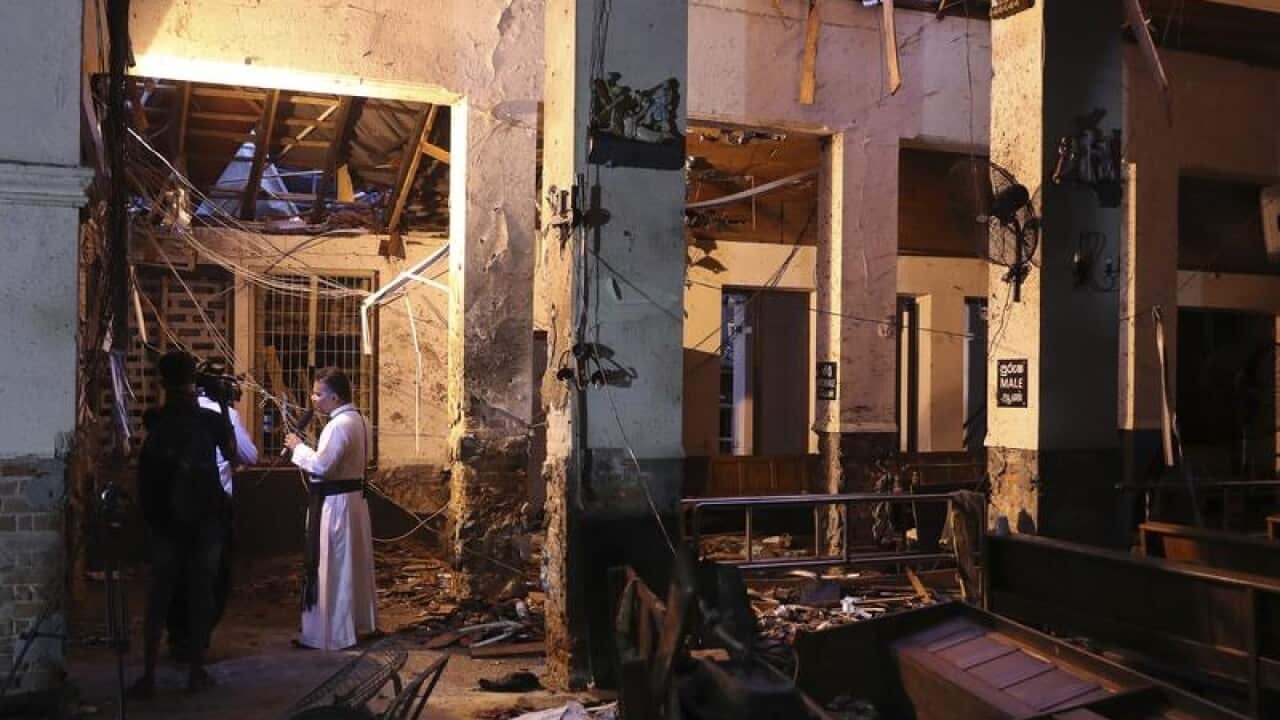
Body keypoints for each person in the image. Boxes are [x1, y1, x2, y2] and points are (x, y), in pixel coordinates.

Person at [132, 351, 236, 696]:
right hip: (205, 521)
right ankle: (195, 672)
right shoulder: (209, 420)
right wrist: (221, 403)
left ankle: (148, 675)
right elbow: (233, 455)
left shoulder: (155, 419)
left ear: (163, 382)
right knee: (200, 593)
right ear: (194, 380)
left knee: (158, 596)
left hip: (164, 522)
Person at [284, 367, 378, 650]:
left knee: (333, 566)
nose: (313, 399)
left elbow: (323, 467)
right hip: (352, 502)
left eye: (318, 393)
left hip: (336, 505)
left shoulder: (338, 425)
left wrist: (297, 448)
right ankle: (352, 626)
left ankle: (331, 633)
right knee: (349, 564)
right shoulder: (360, 419)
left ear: (335, 397)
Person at [166, 380, 258, 661]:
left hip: (174, 509)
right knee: (211, 578)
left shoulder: (169, 417)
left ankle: (176, 638)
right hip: (212, 509)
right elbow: (247, 454)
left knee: (175, 577)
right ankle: (196, 645)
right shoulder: (221, 416)